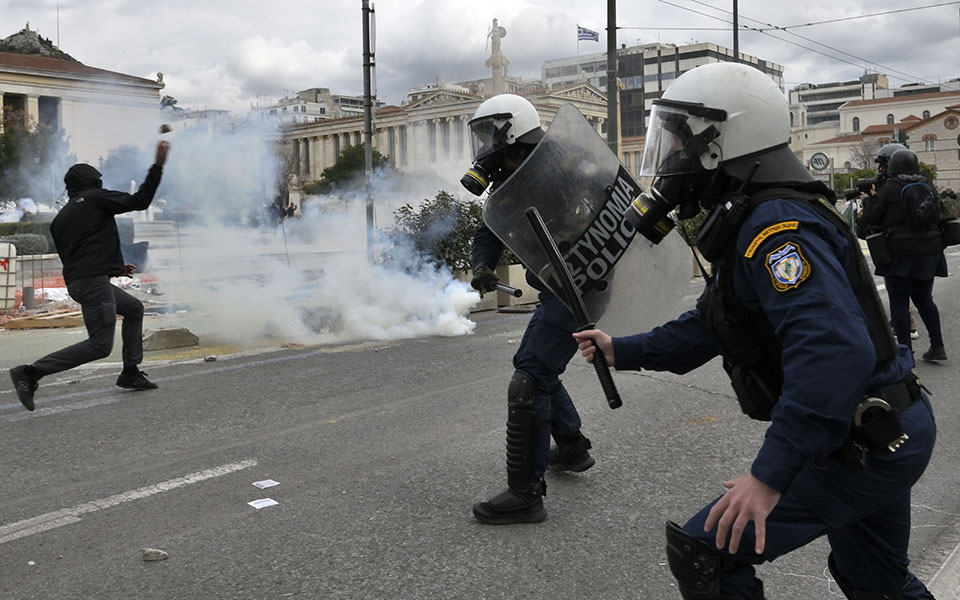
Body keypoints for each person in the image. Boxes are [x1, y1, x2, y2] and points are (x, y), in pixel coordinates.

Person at [574, 63, 936, 599]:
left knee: (708, 553)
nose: (673, 160)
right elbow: (714, 324)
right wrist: (620, 350)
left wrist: (768, 477)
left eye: (679, 144)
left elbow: (834, 354)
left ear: (724, 141)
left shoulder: (777, 227)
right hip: (879, 428)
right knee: (877, 583)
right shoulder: (758, 217)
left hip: (866, 438)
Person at [464, 94, 595, 525]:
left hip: (582, 283)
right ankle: (572, 448)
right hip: (560, 287)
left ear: (512, 130)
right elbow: (491, 228)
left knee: (530, 378)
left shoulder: (564, 166)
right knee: (534, 365)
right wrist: (483, 265)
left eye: (489, 134)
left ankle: (526, 494)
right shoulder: (508, 179)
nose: (484, 145)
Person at [10, 141, 171, 411]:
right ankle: (31, 372)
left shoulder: (61, 217)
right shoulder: (96, 198)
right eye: (98, 180)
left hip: (80, 282)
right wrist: (158, 166)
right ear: (92, 182)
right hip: (93, 284)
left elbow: (82, 251)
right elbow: (140, 201)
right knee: (99, 345)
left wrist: (115, 269)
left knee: (133, 308)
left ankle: (130, 371)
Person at [857, 148, 947, 362]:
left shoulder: (890, 188)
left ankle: (906, 354)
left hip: (901, 252)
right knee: (925, 298)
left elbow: (870, 222)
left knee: (899, 302)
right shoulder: (928, 184)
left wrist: (870, 200)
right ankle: (938, 345)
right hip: (931, 249)